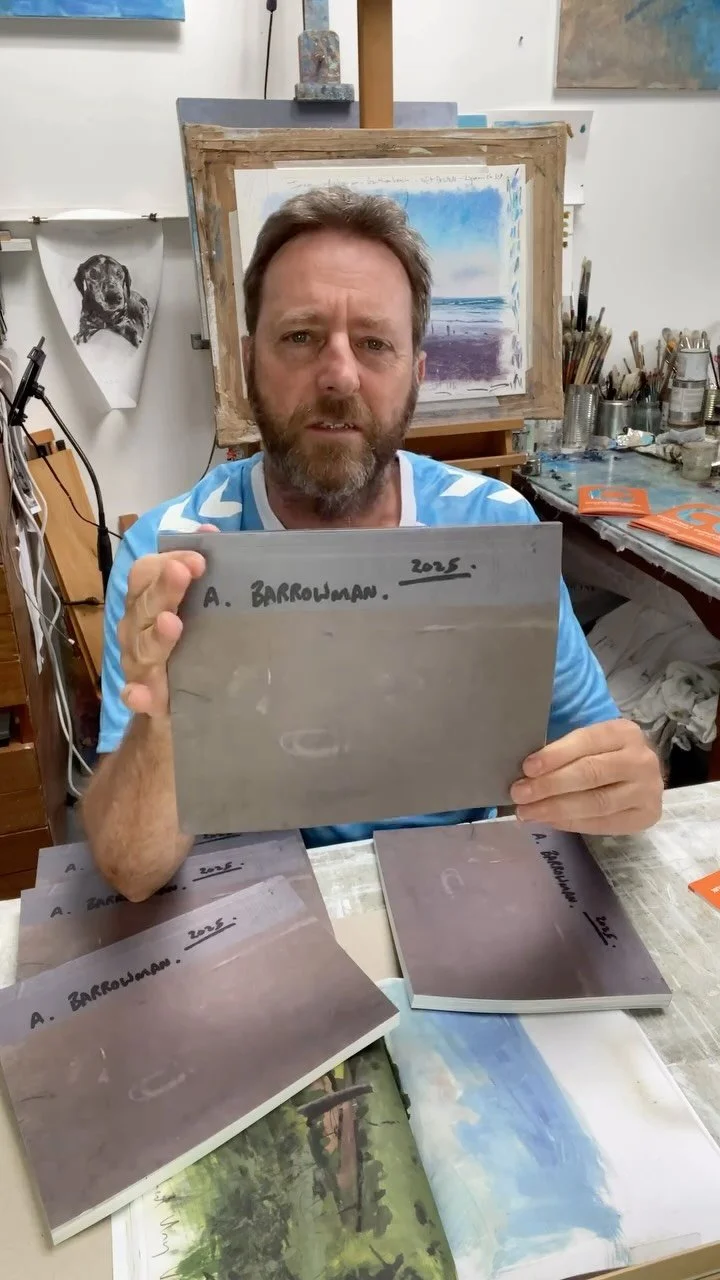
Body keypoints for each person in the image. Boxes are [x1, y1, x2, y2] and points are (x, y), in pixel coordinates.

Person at [82, 186, 663, 902]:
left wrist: (625, 784)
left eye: (375, 343)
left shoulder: (495, 531)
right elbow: (131, 871)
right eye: (301, 336)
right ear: (247, 363)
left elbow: (601, 765)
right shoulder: (168, 557)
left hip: (455, 897)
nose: (338, 374)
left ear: (416, 373)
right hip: (252, 915)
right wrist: (163, 728)